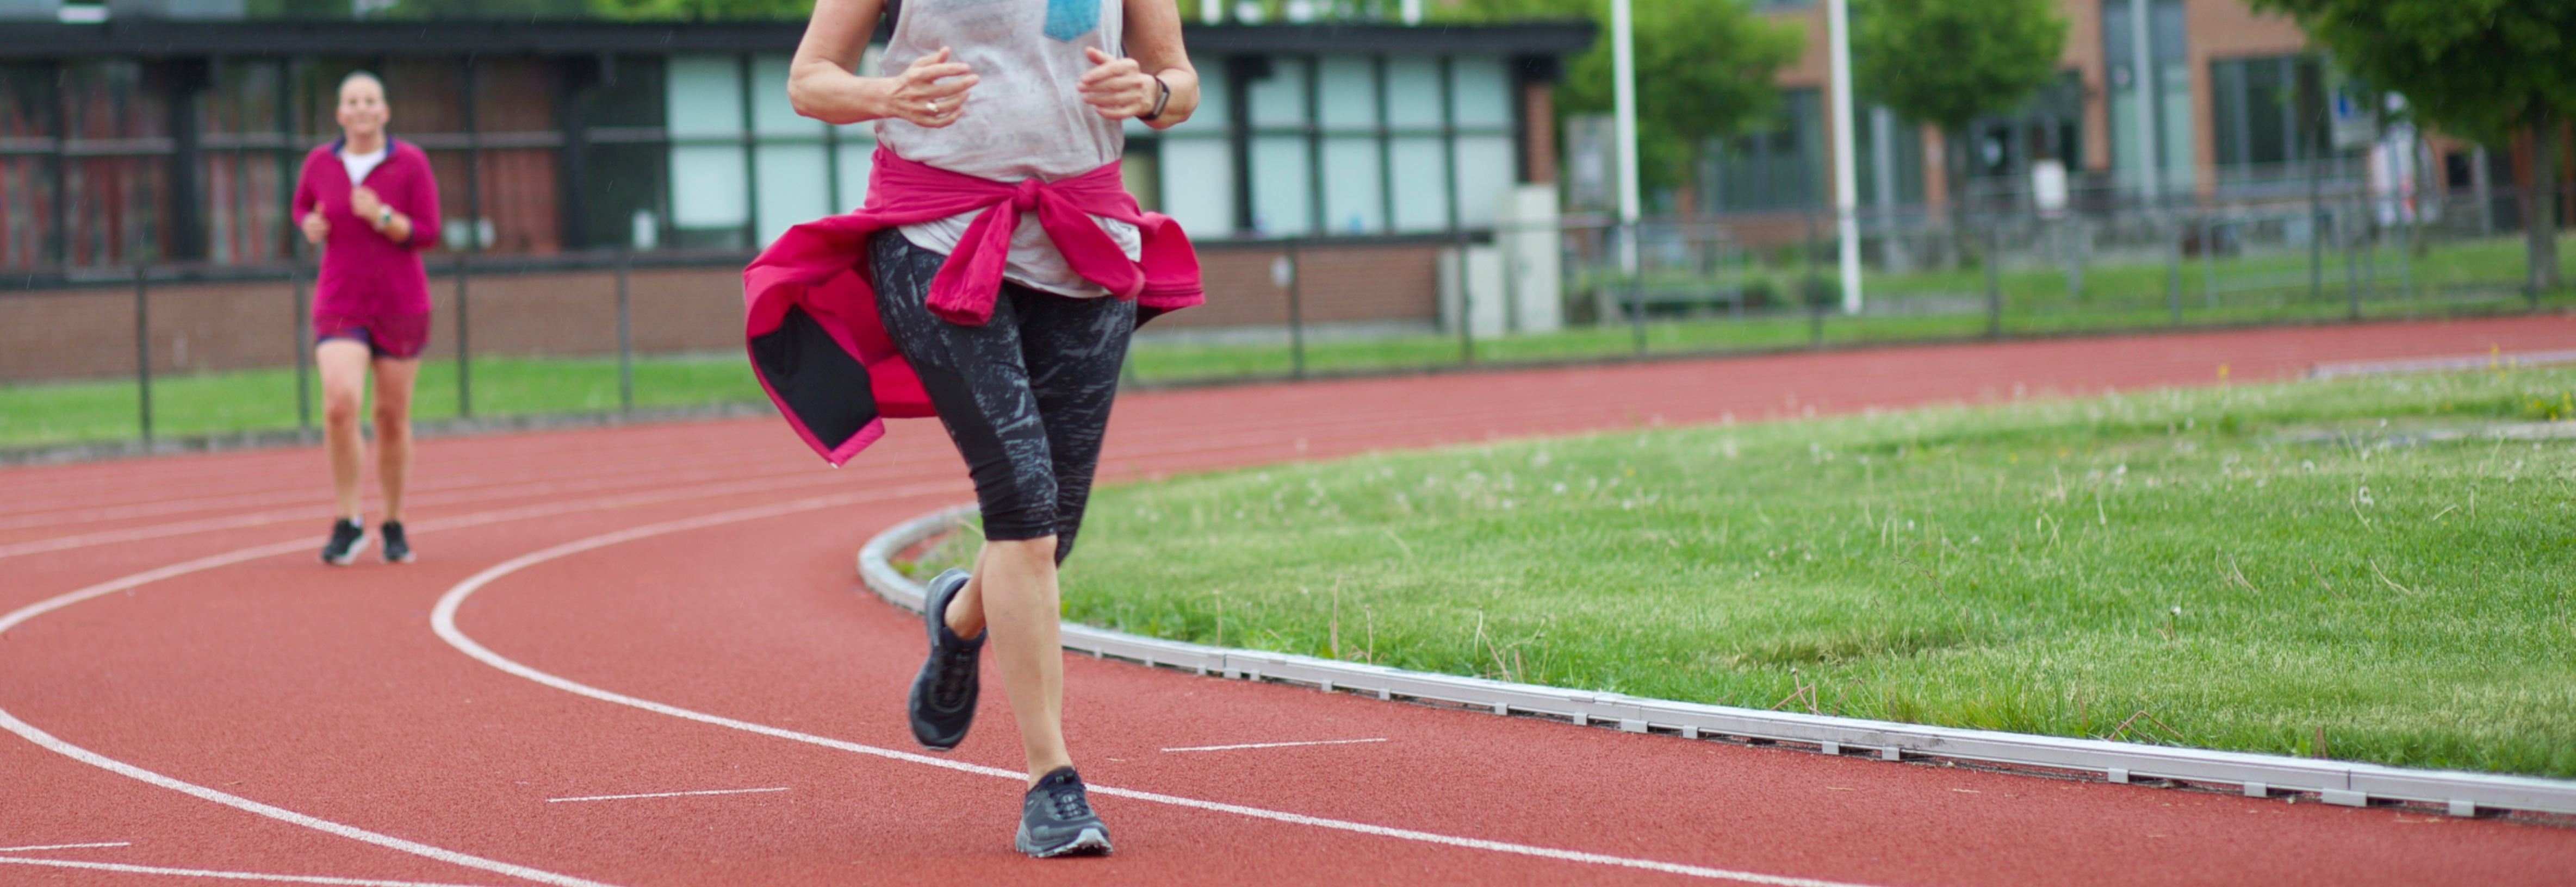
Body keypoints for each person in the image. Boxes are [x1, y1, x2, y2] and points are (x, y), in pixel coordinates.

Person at [746, 0, 1203, 858]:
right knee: (1023, 510)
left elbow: (1182, 84)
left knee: (1052, 531)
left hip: (1085, 240)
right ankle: (1052, 783)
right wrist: (889, 95)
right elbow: (809, 82)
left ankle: (957, 622)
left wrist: (1146, 92)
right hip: (936, 237)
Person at [292, 71, 441, 566]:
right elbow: (301, 209)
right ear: (339, 114)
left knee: (391, 419)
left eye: (370, 101)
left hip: (400, 304)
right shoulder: (320, 162)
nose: (360, 109)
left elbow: (427, 231)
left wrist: (381, 216)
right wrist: (309, 225)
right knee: (339, 406)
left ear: (384, 111)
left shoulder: (410, 162)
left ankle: (393, 522)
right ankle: (348, 519)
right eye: (351, 101)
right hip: (341, 302)